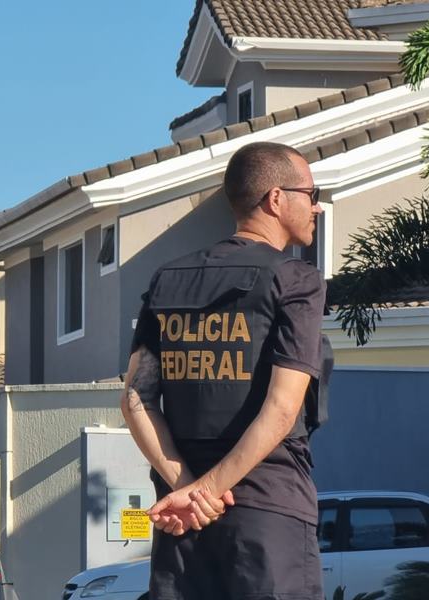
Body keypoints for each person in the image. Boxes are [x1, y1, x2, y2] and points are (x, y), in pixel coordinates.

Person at [121, 141, 327, 600]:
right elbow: (280, 409)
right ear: (276, 199)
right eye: (311, 194)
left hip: (183, 523)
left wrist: (187, 490)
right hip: (268, 514)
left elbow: (135, 399)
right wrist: (205, 492)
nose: (317, 206)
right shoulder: (296, 280)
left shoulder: (167, 278)